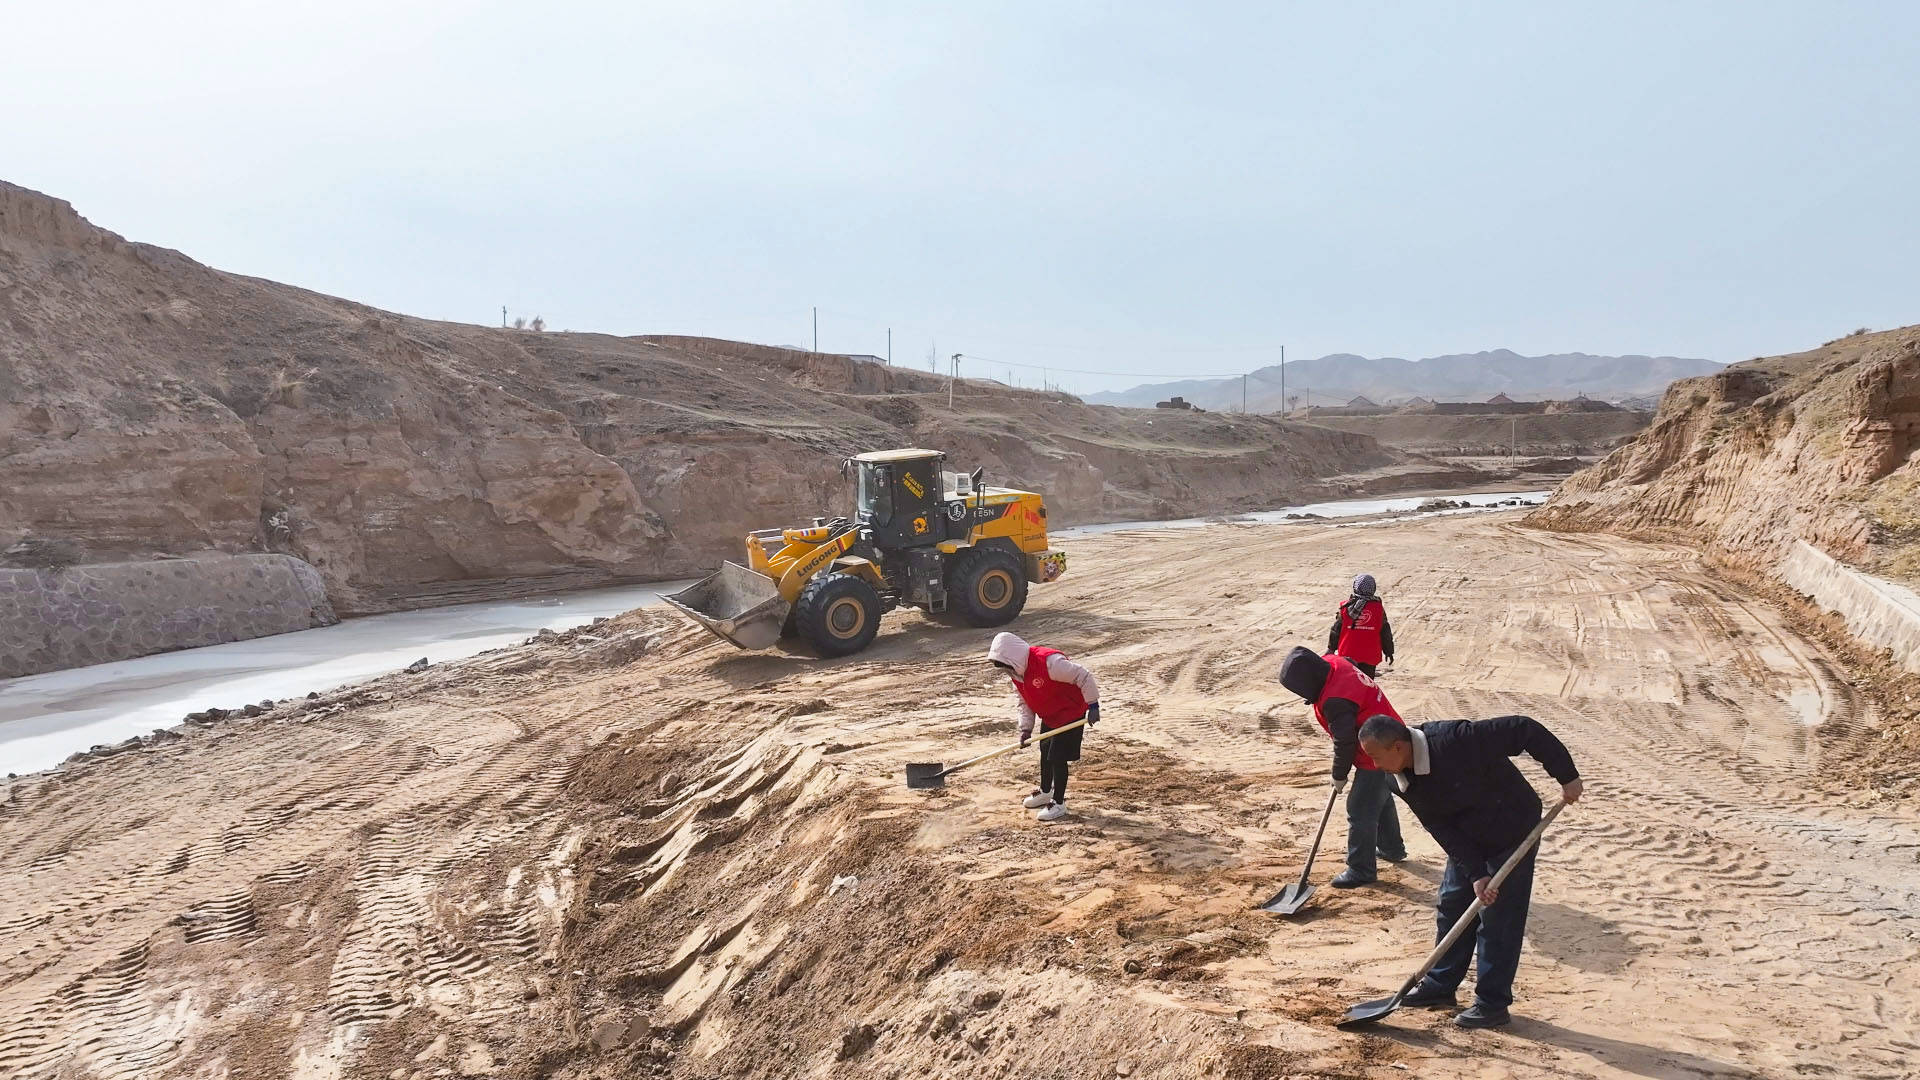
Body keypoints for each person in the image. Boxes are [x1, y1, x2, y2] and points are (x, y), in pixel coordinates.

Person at [1357, 713, 1584, 1029]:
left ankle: (1492, 1005)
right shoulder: (1396, 779)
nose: (1374, 765)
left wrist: (1567, 776)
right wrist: (1476, 873)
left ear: (1398, 746)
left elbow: (1524, 729)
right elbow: (1439, 826)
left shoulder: (1456, 739)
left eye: (1376, 757)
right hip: (1468, 836)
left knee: (1498, 918)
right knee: (1452, 904)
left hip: (1512, 827)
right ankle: (1440, 985)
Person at [1276, 646, 1407, 887]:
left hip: (1380, 752)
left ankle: (1361, 870)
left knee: (1360, 808)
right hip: (1389, 734)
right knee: (1378, 798)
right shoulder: (1334, 663)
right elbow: (1349, 662)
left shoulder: (1336, 701)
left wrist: (1339, 774)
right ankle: (1392, 848)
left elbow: (1344, 741)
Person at [987, 632, 1100, 823]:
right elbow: (1024, 703)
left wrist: (1093, 705)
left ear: (1013, 658)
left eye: (1006, 666)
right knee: (1045, 751)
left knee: (1057, 756)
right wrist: (1025, 729)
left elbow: (1083, 675)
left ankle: (1059, 803)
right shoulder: (1017, 674)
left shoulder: (1050, 663)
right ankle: (1046, 791)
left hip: (1071, 712)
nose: (1007, 671)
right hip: (1050, 714)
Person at [1327, 573, 1394, 678]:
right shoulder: (1378, 609)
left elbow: (1336, 630)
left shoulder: (1346, 607)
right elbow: (1385, 632)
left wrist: (1331, 649)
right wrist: (1388, 651)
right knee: (1366, 682)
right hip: (1370, 655)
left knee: (1348, 681)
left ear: (1355, 587)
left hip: (1347, 654)